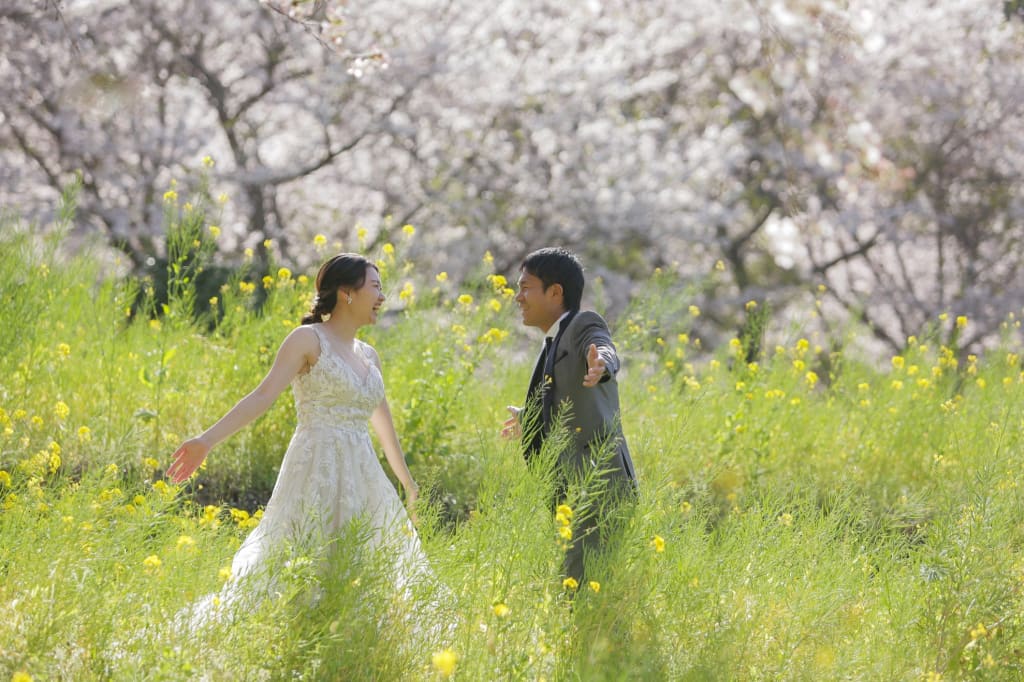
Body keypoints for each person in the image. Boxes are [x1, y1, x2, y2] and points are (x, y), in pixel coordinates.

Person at [166, 253, 424, 620]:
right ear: (347, 293)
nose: (382, 297)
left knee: (366, 560)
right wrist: (206, 440)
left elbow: (384, 427)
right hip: (316, 465)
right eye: (376, 287)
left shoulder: (370, 356)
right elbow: (262, 396)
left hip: (362, 474)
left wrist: (408, 484)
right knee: (302, 555)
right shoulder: (307, 340)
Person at [501, 247, 636, 584]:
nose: (518, 297)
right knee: (580, 589)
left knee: (582, 592)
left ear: (555, 292)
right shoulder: (552, 341)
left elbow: (602, 344)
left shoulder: (581, 325)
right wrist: (529, 417)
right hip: (572, 490)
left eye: (526, 287)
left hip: (598, 486)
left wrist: (602, 363)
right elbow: (562, 400)